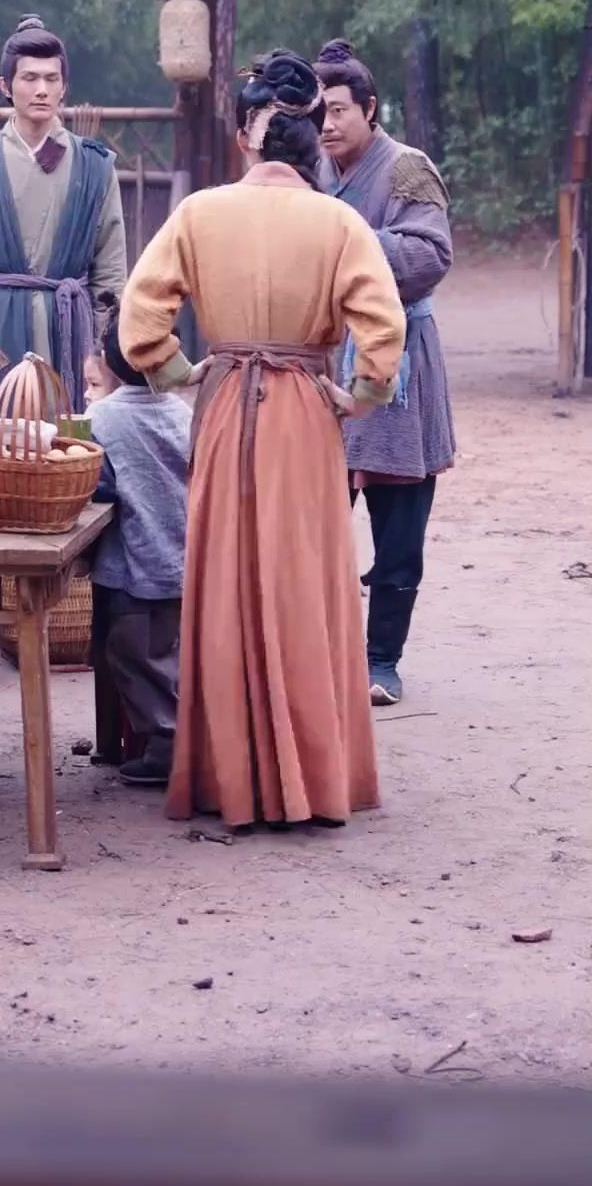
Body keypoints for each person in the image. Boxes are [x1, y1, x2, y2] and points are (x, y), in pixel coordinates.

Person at [118, 49, 406, 831]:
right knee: (304, 585)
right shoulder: (341, 221)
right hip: (308, 414)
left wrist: (180, 373)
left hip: (224, 412)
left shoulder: (199, 214)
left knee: (226, 585)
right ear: (314, 141)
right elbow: (385, 326)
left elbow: (139, 316)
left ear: (248, 136)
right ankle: (314, 778)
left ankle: (230, 777)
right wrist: (363, 394)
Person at [314, 38, 456, 707]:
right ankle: (319, 650)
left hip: (398, 357)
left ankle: (382, 660)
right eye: (318, 112)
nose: (328, 124)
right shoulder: (304, 169)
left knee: (400, 523)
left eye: (340, 110)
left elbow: (430, 254)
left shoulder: (407, 169)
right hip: (322, 360)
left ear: (369, 109)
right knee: (311, 516)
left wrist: (347, 245)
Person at [0, 14, 127, 425]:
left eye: (51, 78)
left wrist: (105, 353)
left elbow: (110, 273)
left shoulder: (96, 167)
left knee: (64, 452)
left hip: (69, 328)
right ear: (5, 86)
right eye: (29, 78)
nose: (41, 90)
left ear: (64, 87)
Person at [86, 299, 191, 789]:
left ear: (108, 361)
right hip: (185, 558)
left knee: (131, 656)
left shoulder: (102, 419)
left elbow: (99, 488)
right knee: (171, 654)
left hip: (132, 566)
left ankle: (168, 746)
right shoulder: (184, 413)